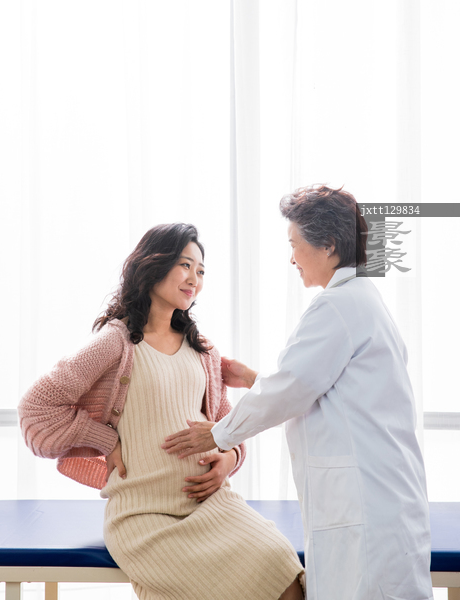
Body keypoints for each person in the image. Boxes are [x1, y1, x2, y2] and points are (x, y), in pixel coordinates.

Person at [162, 188, 434, 600]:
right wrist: (253, 378)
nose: (291, 258)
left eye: (294, 244)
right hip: (381, 499)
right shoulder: (362, 301)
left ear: (328, 245)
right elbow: (323, 386)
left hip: (364, 505)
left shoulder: (338, 306)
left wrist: (218, 434)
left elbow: (292, 389)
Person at [18, 223, 305, 600]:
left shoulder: (203, 350)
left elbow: (227, 424)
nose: (194, 279)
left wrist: (230, 458)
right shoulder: (116, 343)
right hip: (144, 517)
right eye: (185, 265)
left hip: (213, 506)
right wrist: (104, 439)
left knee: (282, 568)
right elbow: (36, 408)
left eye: (201, 271)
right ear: (153, 264)